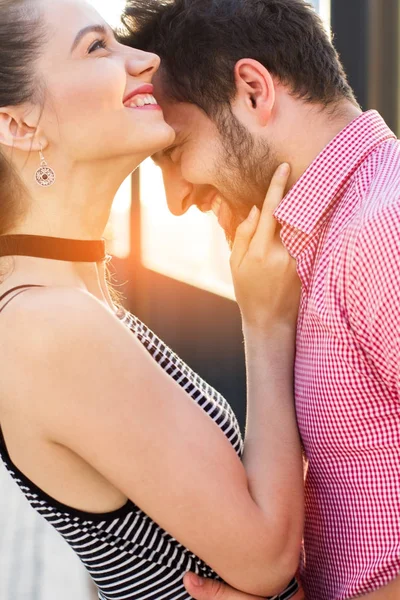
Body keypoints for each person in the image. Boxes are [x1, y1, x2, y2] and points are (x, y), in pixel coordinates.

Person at [0, 1, 304, 599]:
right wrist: (266, 321)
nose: (146, 61)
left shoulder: (59, 304)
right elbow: (268, 555)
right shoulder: (48, 328)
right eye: (97, 48)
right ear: (19, 125)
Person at [121, 1, 400, 599]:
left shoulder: (383, 230)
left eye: (173, 151)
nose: (175, 199)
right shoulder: (325, 243)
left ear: (252, 90)